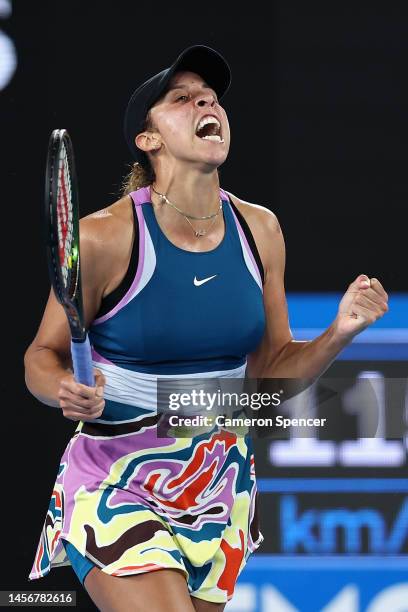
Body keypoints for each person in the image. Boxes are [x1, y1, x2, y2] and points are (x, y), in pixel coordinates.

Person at [24, 45, 389, 612]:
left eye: (212, 97)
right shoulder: (104, 237)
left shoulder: (260, 229)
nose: (206, 102)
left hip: (217, 475)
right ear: (150, 139)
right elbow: (41, 356)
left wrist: (339, 332)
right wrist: (62, 388)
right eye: (183, 98)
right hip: (115, 473)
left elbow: (270, 375)